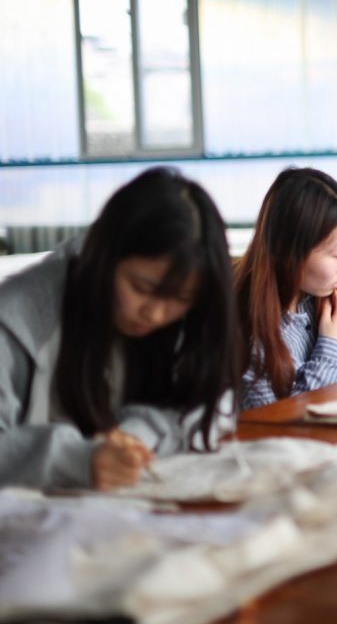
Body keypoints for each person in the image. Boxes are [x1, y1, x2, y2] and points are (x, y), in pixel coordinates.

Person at [0, 168, 243, 491]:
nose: (156, 312)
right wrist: (75, 460)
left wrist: (134, 436)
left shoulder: (189, 315)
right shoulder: (18, 319)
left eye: (181, 298)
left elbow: (214, 402)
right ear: (105, 257)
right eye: (141, 287)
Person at [236, 168, 337, 411]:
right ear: (288, 252)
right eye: (335, 253)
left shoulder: (324, 301)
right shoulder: (249, 329)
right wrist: (332, 344)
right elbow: (284, 422)